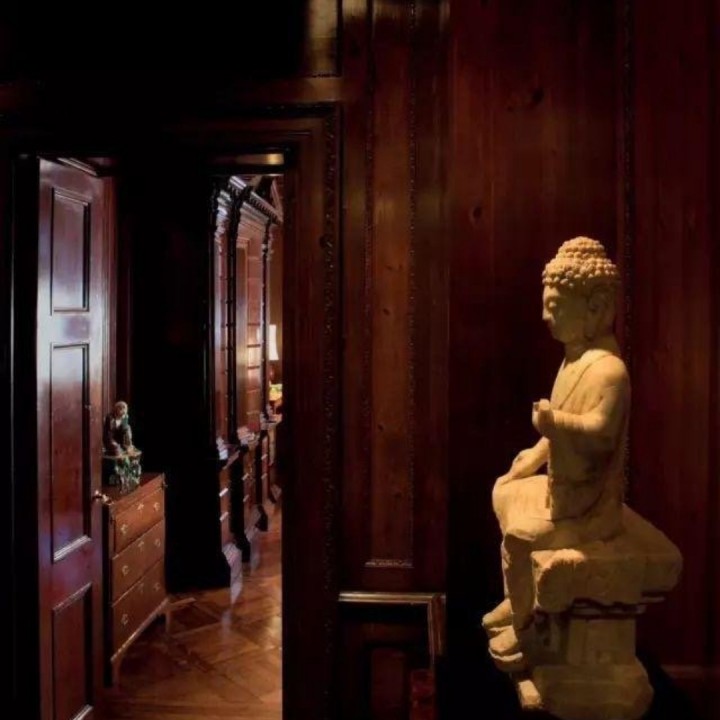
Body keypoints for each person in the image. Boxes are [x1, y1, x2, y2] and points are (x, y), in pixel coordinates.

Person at [483, 237, 630, 670]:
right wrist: (533, 456)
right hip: (562, 490)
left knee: (520, 537)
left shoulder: (610, 371)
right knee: (505, 490)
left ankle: (530, 631)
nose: (546, 316)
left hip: (590, 506)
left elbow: (600, 434)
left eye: (556, 307)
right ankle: (517, 596)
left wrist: (555, 424)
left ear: (595, 308)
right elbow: (558, 432)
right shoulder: (572, 362)